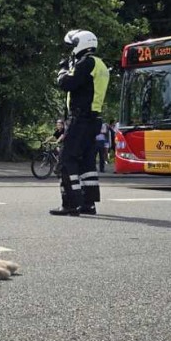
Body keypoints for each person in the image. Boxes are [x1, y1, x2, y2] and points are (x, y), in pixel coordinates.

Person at [50, 29, 109, 216]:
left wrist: (62, 69)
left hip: (81, 119)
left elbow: (67, 83)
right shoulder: (100, 64)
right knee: (87, 162)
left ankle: (70, 203)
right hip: (93, 119)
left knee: (67, 159)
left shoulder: (87, 62)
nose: (71, 50)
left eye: (72, 46)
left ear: (80, 44)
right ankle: (88, 203)